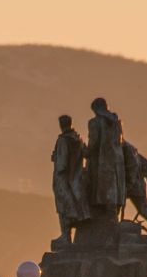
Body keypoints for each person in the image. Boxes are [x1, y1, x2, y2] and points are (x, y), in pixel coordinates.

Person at [51, 114, 89, 244]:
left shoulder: (63, 140)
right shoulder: (77, 138)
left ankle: (65, 236)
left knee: (63, 208)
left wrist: (55, 157)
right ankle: (67, 236)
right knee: (72, 207)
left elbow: (62, 164)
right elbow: (86, 153)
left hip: (63, 179)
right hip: (76, 179)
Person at [86, 97, 125, 218]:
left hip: (101, 161)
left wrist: (84, 152)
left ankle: (102, 219)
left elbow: (94, 143)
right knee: (114, 190)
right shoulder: (116, 122)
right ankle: (113, 216)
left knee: (101, 190)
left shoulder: (95, 122)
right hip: (117, 161)